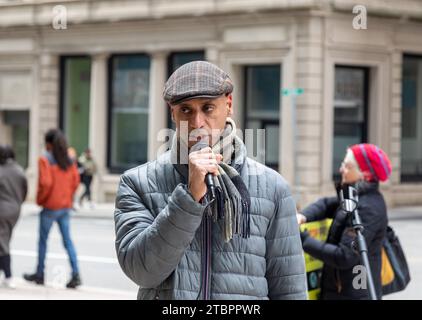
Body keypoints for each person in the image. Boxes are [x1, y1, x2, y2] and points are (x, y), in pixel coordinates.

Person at [114, 61, 307, 300]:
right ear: (172, 112)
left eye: (207, 108)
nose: (197, 123)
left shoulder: (273, 187)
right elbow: (142, 272)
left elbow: (289, 288)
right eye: (186, 110)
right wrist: (189, 199)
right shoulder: (138, 183)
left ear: (229, 104)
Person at [297, 143, 391, 300]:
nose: (341, 169)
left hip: (353, 294)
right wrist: (302, 216)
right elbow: (327, 204)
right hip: (339, 291)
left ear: (364, 174)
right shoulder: (354, 197)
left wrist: (303, 239)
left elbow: (345, 256)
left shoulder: (368, 208)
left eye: (347, 166)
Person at [23, 129, 82, 289]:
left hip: (50, 207)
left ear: (48, 143)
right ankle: (76, 273)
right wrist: (68, 197)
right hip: (65, 207)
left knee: (42, 241)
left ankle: (40, 274)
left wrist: (40, 200)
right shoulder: (69, 159)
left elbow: (46, 183)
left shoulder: (45, 159)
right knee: (67, 241)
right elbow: (76, 181)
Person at [0, 145, 27, 289]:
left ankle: (9, 276)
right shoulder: (19, 170)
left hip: (2, 210)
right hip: (15, 210)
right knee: (4, 239)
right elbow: (24, 191)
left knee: (3, 243)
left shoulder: (1, 171)